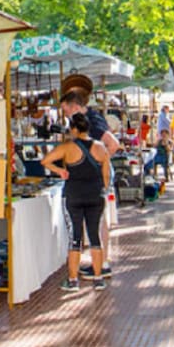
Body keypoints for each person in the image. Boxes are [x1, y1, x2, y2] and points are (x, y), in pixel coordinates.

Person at [41, 113, 112, 292]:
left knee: (75, 238)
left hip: (73, 196)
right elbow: (106, 175)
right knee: (95, 236)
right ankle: (98, 278)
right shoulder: (101, 147)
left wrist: (60, 171)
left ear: (73, 129)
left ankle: (73, 280)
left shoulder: (67, 147)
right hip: (96, 196)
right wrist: (102, 189)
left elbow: (45, 161)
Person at [60, 85, 121, 279]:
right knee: (98, 220)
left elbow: (113, 144)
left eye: (67, 111)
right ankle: (100, 262)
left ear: (75, 107)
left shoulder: (92, 121)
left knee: (99, 220)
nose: (66, 115)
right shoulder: (90, 120)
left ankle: (101, 265)